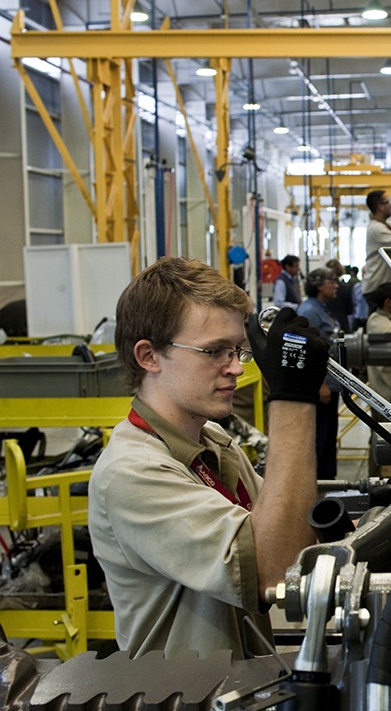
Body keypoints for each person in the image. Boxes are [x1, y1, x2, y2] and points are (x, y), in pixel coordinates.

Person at [88, 256, 329, 659]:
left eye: (237, 350)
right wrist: (292, 400)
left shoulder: (214, 441)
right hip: (188, 697)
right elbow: (272, 570)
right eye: (214, 351)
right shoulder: (131, 473)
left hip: (243, 682)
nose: (236, 367)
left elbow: (291, 532)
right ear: (149, 356)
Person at [297, 267, 342, 481]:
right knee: (320, 437)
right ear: (318, 285)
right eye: (331, 281)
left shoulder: (321, 309)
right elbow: (307, 350)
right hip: (321, 385)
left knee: (327, 435)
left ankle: (326, 479)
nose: (336, 285)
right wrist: (319, 384)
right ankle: (317, 482)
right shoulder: (310, 312)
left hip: (330, 383)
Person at [365, 281, 391, 475]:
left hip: (383, 394)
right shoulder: (383, 326)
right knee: (385, 440)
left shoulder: (379, 320)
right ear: (388, 302)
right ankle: (377, 480)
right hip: (388, 396)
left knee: (380, 438)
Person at [362, 190, 391, 308]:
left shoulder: (383, 225)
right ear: (380, 207)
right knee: (380, 321)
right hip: (377, 289)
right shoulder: (376, 229)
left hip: (381, 286)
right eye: (387, 202)